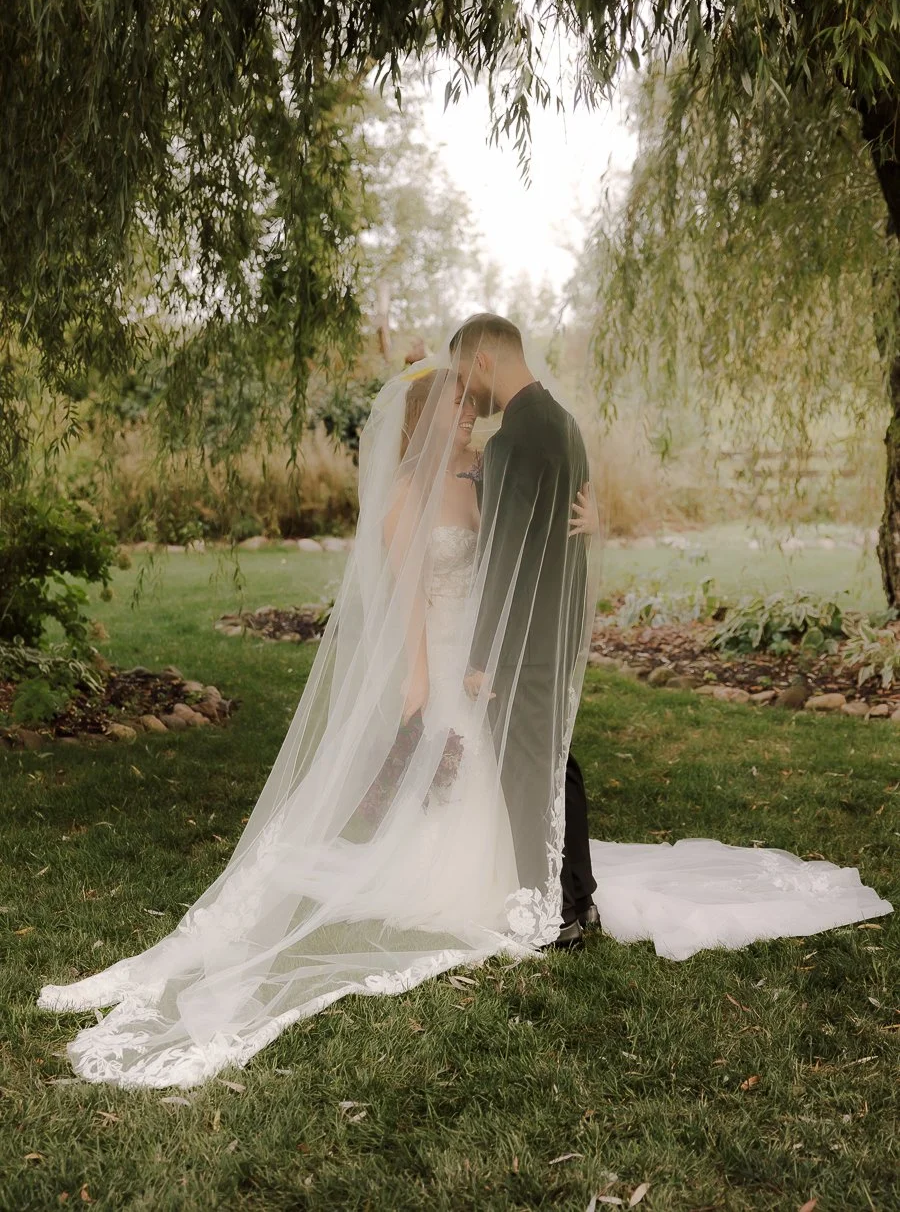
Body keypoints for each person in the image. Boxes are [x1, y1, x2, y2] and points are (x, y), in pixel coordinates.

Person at [36, 326, 892, 1091]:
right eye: (454, 401)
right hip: (442, 665)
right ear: (424, 419)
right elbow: (405, 600)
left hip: (481, 667)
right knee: (457, 790)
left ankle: (530, 880)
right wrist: (418, 683)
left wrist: (592, 522)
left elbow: (518, 554)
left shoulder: (482, 475)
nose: (468, 409)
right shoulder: (408, 499)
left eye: (465, 395)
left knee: (503, 784)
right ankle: (505, 883)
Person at [450, 314, 599, 950]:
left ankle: (554, 915)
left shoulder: (512, 439)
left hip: (524, 638)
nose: (468, 394)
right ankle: (577, 900)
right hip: (557, 626)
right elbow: (573, 528)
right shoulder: (564, 424)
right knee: (557, 762)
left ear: (483, 361)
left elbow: (501, 556)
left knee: (528, 772)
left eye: (465, 375)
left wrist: (481, 654)